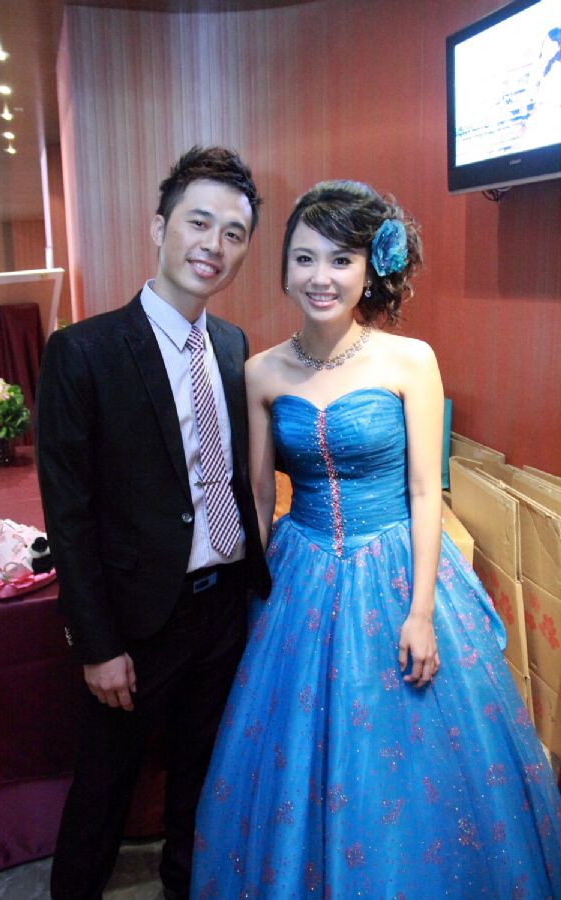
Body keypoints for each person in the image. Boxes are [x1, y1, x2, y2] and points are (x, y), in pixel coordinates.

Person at [190, 180, 561, 898]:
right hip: (300, 569)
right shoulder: (261, 370)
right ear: (284, 268)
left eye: (340, 260)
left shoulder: (409, 360)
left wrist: (421, 612)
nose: (320, 277)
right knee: (291, 754)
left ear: (368, 271)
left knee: (415, 765)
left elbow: (425, 492)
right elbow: (260, 496)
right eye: (304, 259)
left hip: (396, 567)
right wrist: (247, 598)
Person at [35, 145, 271, 900]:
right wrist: (97, 644)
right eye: (199, 223)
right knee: (104, 789)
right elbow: (69, 515)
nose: (214, 245)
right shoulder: (83, 351)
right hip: (136, 624)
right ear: (159, 227)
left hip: (223, 605)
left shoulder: (232, 346)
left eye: (234, 233)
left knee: (203, 780)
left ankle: (184, 889)